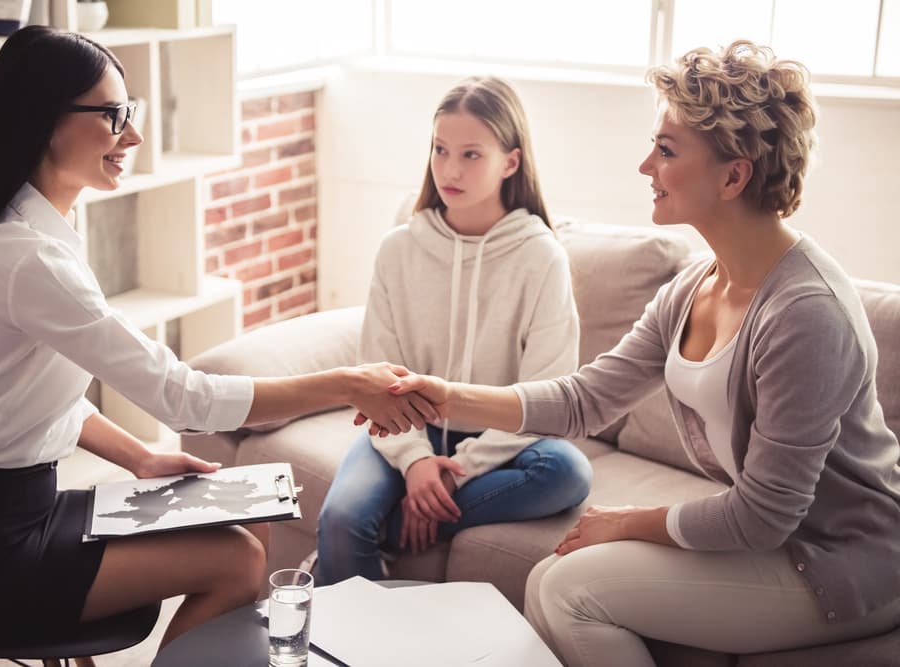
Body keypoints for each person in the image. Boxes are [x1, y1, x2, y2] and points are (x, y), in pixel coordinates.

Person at [0, 26, 435, 655]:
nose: (134, 135)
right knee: (236, 562)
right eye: (113, 115)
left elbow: (31, 396)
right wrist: (346, 382)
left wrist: (142, 460)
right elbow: (185, 399)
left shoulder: (26, 235)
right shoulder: (27, 258)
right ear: (45, 120)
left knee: (249, 520)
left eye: (132, 112)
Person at [370, 42, 900, 665]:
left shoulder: (805, 314)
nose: (645, 165)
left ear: (734, 176)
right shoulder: (697, 284)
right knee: (548, 578)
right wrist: (447, 394)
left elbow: (763, 516)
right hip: (778, 541)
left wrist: (631, 521)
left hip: (839, 564)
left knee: (571, 590)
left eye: (667, 149)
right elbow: (584, 399)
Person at [316, 76, 592, 585]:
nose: (449, 169)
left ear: (510, 162)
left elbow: (547, 394)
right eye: (440, 150)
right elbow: (377, 370)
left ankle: (395, 526)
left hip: (502, 432)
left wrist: (456, 467)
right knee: (338, 520)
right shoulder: (399, 249)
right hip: (403, 426)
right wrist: (418, 462)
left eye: (470, 155)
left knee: (568, 472)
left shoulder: (541, 257)